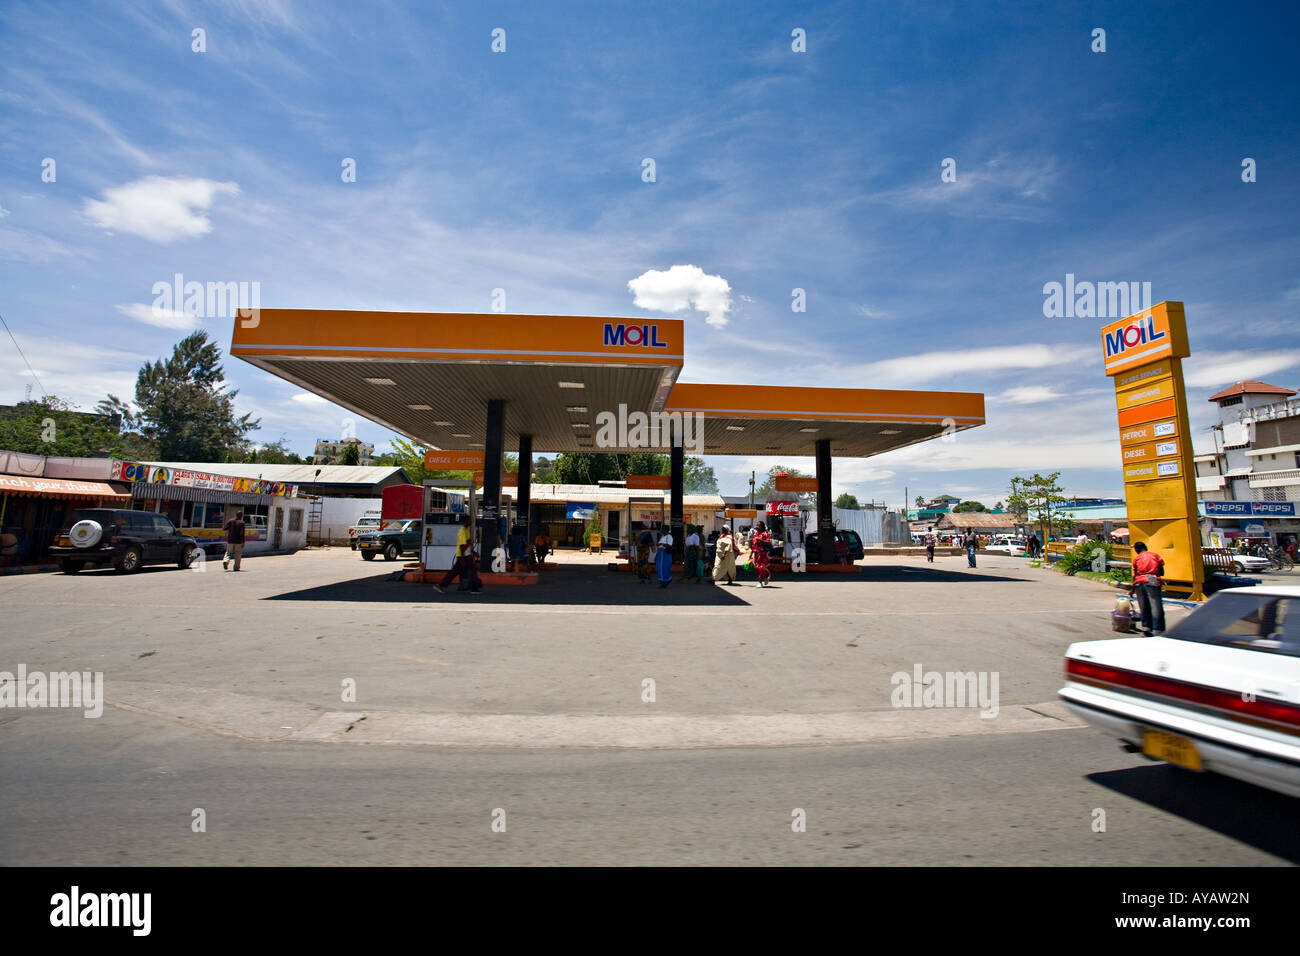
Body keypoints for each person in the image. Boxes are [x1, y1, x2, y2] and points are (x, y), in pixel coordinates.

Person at [434, 515, 481, 594]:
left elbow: (467, 544)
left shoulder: (466, 530)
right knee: (472, 570)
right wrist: (462, 558)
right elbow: (462, 546)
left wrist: (473, 552)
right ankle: (474, 588)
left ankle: (441, 585)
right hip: (464, 555)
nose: (471, 522)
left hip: (466, 554)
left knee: (455, 571)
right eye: (469, 520)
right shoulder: (462, 531)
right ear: (465, 521)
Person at [1131, 541, 1165, 636]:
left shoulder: (1137, 558)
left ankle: (1146, 629)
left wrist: (1132, 590)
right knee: (1156, 606)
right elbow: (1162, 572)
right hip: (1152, 580)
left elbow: (1136, 574)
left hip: (1139, 582)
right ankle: (1158, 630)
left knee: (1144, 607)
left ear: (1137, 550)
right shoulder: (1155, 556)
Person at [751, 521, 773, 587]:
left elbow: (769, 542)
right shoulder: (755, 534)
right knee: (758, 568)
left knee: (761, 567)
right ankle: (766, 576)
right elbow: (753, 544)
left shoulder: (765, 534)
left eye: (759, 525)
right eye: (757, 525)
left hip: (763, 554)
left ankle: (760, 582)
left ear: (762, 526)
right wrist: (750, 554)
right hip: (756, 554)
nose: (757, 527)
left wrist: (761, 541)